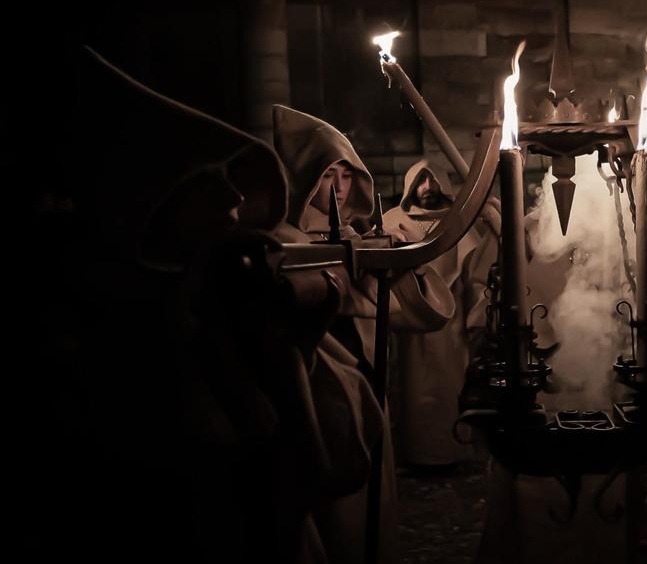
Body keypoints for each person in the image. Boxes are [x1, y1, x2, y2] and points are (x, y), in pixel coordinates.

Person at [42, 47, 380, 563]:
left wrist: (301, 344)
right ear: (156, 198)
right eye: (206, 180)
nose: (233, 199)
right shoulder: (142, 329)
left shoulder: (218, 297)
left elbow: (319, 461)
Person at [271, 104, 456, 563]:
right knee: (332, 517)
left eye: (347, 175)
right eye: (327, 173)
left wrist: (393, 263)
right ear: (304, 176)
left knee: (369, 507)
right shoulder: (279, 240)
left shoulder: (362, 236)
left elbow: (422, 312)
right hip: (314, 382)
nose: (337, 186)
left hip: (364, 379)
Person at [386, 160, 499, 467]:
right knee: (408, 392)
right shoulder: (394, 220)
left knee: (450, 390)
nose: (427, 188)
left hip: (450, 328)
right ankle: (415, 454)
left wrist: (478, 320)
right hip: (407, 324)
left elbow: (475, 270)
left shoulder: (457, 222)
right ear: (410, 185)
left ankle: (450, 453)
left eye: (432, 180)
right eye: (420, 181)